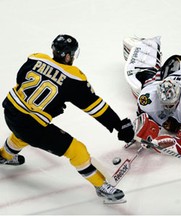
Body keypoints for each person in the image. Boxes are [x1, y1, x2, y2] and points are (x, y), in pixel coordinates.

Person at [0, 34, 135, 202]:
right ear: (68, 55)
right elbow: (95, 106)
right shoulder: (74, 78)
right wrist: (118, 124)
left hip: (10, 113)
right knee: (77, 150)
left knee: (23, 131)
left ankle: (4, 155)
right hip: (32, 128)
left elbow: (20, 79)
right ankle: (101, 187)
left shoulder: (35, 58)